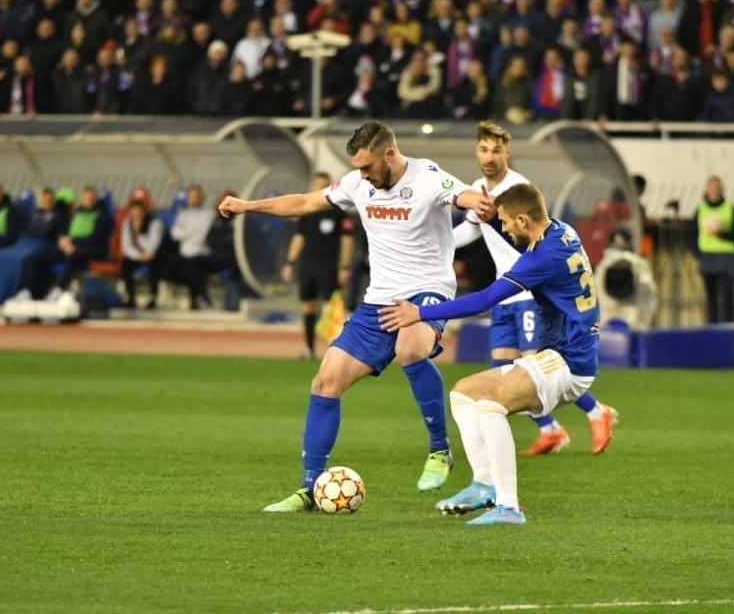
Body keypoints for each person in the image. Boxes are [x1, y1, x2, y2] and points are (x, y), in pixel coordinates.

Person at [218, 120, 494, 512]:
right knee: (325, 381)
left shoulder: (427, 176)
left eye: (367, 166)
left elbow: (462, 194)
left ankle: (439, 450)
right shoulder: (356, 183)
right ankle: (310, 489)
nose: (362, 175)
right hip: (378, 299)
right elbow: (305, 203)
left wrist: (478, 202)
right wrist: (248, 206)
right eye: (358, 168)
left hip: (426, 290)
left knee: (410, 348)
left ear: (389, 154)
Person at [379, 182, 602, 525]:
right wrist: (493, 218)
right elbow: (521, 232)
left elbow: (484, 299)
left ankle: (508, 507)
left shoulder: (542, 259)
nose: (506, 229)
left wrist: (420, 313)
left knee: (491, 404)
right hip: (563, 354)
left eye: (508, 223)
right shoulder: (561, 231)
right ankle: (484, 485)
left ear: (523, 220)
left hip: (568, 361)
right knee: (464, 393)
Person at [453, 121, 617, 456]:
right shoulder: (477, 190)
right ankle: (551, 430)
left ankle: (595, 411)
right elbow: (470, 232)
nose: (489, 156)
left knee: (533, 364)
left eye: (496, 150)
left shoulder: (517, 190)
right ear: (476, 152)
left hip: (526, 291)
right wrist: (434, 248)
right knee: (501, 365)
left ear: (507, 153)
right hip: (503, 292)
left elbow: (534, 244)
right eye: (483, 149)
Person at [281, 171, 354, 360]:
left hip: (328, 265)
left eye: (324, 186)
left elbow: (347, 241)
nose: (320, 189)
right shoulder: (306, 213)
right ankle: (309, 348)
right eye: (317, 186)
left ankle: (337, 350)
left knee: (332, 307)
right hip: (307, 264)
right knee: (308, 305)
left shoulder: (339, 212)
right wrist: (290, 262)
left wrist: (344, 267)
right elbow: (299, 237)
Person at [690, 176, 734, 324]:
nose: (714, 190)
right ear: (707, 189)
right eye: (711, 187)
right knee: (711, 296)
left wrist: (722, 234)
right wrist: (698, 254)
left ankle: (728, 325)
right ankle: (712, 326)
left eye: (717, 187)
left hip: (726, 257)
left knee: (727, 294)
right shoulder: (701, 209)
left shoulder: (730, 208)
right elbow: (692, 234)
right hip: (707, 257)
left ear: (721, 189)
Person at [50, 186, 113, 297]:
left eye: (92, 198)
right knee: (46, 255)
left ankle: (58, 290)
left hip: (93, 249)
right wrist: (62, 241)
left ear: (96, 199)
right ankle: (35, 290)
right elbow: (64, 231)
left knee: (72, 256)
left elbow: (96, 237)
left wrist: (72, 241)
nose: (89, 200)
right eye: (86, 198)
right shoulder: (76, 213)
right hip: (71, 247)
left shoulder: (102, 215)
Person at [168, 185, 216, 309]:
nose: (194, 199)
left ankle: (199, 298)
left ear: (202, 197)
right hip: (185, 254)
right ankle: (201, 296)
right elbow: (175, 234)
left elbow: (206, 234)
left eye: (196, 196)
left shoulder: (209, 215)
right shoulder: (184, 215)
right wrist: (194, 231)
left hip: (203, 254)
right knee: (171, 269)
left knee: (194, 266)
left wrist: (187, 230)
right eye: (191, 196)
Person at [120, 198, 164, 309]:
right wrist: (138, 256)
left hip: (155, 254)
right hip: (139, 255)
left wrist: (138, 234)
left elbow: (153, 245)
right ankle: (131, 297)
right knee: (126, 264)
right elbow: (126, 246)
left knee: (154, 263)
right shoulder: (128, 223)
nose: (137, 217)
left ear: (144, 212)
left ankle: (153, 297)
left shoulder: (155, 223)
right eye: (134, 214)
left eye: (139, 214)